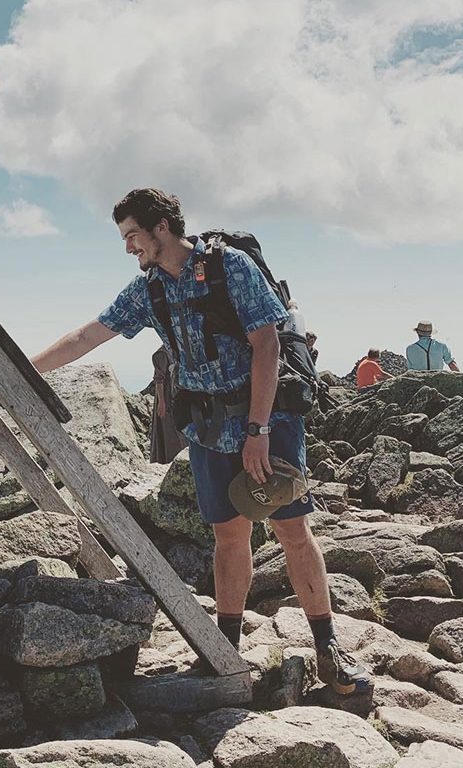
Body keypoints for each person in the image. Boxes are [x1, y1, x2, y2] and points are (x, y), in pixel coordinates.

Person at [30, 188, 371, 696]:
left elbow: (268, 343)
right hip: (210, 431)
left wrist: (256, 430)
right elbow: (88, 335)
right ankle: (224, 651)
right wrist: (23, 367)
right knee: (228, 538)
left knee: (293, 532)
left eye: (132, 236)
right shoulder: (149, 290)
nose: (128, 247)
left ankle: (328, 650)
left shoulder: (229, 267)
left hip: (268, 420)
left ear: (161, 227)